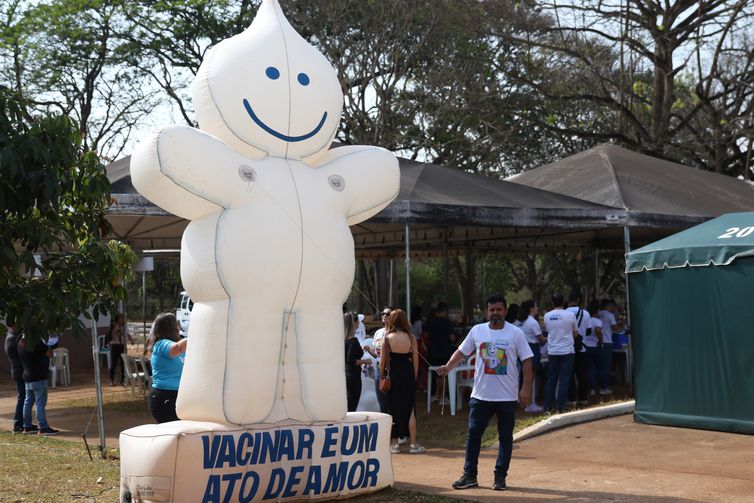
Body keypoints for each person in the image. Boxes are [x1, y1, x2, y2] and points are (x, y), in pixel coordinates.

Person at [438, 294, 533, 491]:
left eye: (499, 310)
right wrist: (448, 367)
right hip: (480, 396)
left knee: (505, 438)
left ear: (505, 311)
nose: (495, 313)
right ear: (486, 312)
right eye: (491, 310)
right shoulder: (477, 331)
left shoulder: (516, 333)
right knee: (473, 435)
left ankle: (500, 477)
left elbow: (527, 361)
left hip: (506, 397)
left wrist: (525, 389)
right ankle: (470, 475)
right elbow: (462, 352)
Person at [379, 309, 425, 454]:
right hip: (408, 374)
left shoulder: (387, 338)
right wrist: (414, 377)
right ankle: (413, 444)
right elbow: (416, 362)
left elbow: (382, 361)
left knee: (393, 408)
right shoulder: (411, 338)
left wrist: (381, 376)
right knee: (410, 408)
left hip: (393, 375)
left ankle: (395, 444)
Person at [148, 313, 187, 423]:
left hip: (178, 395)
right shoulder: (161, 344)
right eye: (177, 324)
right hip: (165, 397)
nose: (179, 327)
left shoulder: (179, 345)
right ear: (172, 327)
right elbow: (177, 349)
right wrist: (196, 336)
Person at [542, 293, 577, 414]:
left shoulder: (547, 316)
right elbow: (575, 332)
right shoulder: (570, 315)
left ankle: (547, 407)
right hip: (567, 351)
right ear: (564, 302)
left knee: (551, 379)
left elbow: (547, 330)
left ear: (552, 302)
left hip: (552, 351)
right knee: (564, 379)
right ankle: (561, 407)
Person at [20, 335, 58, 435]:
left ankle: (27, 426)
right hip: (38, 376)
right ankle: (43, 427)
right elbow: (49, 354)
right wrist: (49, 344)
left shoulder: (20, 341)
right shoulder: (36, 341)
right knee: (40, 403)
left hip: (27, 375)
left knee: (28, 402)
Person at [4, 324, 36, 434]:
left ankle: (23, 423)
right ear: (13, 324)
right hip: (20, 372)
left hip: (19, 371)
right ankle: (18, 424)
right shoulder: (13, 339)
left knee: (24, 397)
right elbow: (22, 353)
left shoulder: (11, 336)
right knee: (23, 398)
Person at [517, 300, 545, 412]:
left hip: (521, 349)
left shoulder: (521, 322)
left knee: (525, 378)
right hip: (532, 349)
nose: (537, 308)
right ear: (531, 309)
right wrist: (552, 337)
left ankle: (523, 401)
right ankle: (529, 403)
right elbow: (541, 339)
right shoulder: (533, 322)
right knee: (530, 378)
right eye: (536, 306)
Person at [426, 302, 456, 403]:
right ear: (445, 312)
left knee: (437, 374)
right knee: (444, 375)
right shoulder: (446, 322)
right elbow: (452, 337)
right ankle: (443, 397)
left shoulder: (430, 322)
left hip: (433, 352)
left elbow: (425, 336)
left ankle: (436, 395)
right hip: (445, 352)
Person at [364, 307, 392, 413]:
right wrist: (368, 349)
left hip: (390, 367)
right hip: (378, 367)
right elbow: (377, 355)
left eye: (387, 314)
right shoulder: (378, 333)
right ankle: (385, 423)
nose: (384, 315)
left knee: (390, 398)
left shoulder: (394, 333)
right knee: (381, 399)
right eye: (383, 313)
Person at [565, 291, 590, 406]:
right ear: (579, 300)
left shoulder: (564, 313)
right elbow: (589, 331)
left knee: (569, 375)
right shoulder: (585, 313)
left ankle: (571, 400)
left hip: (568, 349)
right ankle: (583, 398)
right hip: (581, 348)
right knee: (582, 375)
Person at [344, 312, 370, 412]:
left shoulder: (343, 340)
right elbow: (351, 361)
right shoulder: (353, 341)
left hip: (346, 375)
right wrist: (366, 361)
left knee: (347, 406)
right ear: (354, 322)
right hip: (353, 377)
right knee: (352, 406)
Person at [597, 299, 624, 395]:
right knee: (606, 366)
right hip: (607, 342)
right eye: (613, 306)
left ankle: (598, 386)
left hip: (598, 342)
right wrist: (622, 322)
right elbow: (615, 328)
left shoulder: (598, 314)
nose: (614, 308)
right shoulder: (610, 315)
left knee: (600, 365)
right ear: (609, 305)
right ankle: (604, 387)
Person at [107, 313, 134, 386]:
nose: (123, 319)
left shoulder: (124, 326)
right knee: (113, 363)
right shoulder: (113, 326)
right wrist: (117, 326)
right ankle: (112, 380)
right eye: (121, 318)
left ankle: (122, 380)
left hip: (121, 345)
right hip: (114, 345)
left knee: (123, 363)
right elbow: (111, 334)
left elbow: (128, 334)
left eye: (123, 318)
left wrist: (131, 340)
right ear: (117, 319)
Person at [585, 301, 604, 395]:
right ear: (596, 311)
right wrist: (600, 341)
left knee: (589, 368)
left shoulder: (586, 320)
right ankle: (600, 387)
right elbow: (598, 330)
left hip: (586, 346)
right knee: (599, 367)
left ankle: (590, 388)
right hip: (595, 346)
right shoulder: (597, 321)